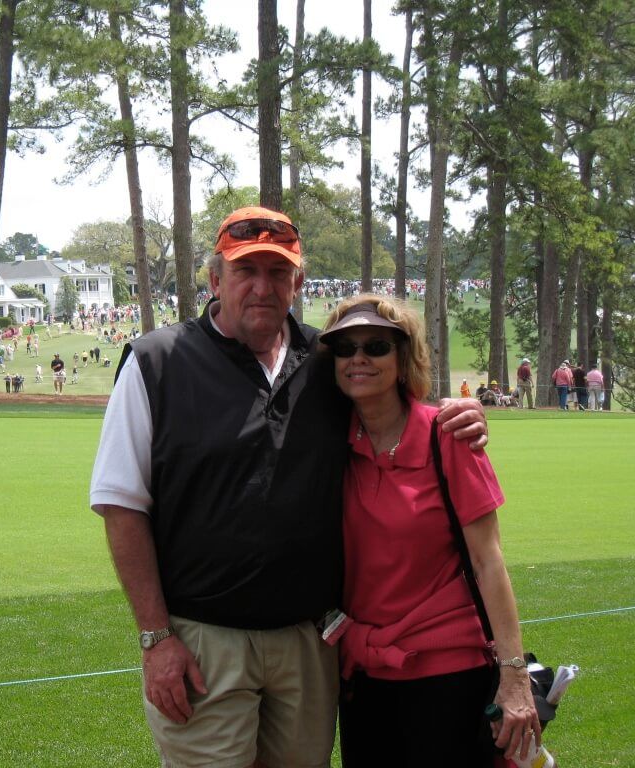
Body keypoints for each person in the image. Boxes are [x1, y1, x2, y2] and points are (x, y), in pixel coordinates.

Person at [89, 206, 487, 768]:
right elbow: (120, 504)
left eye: (278, 273)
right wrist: (156, 638)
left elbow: (394, 413)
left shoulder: (326, 360)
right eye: (245, 270)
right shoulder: (158, 362)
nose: (261, 286)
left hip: (307, 642)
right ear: (214, 280)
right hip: (205, 640)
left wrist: (459, 415)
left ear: (298, 283)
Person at [321, 296, 538, 767]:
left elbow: (488, 559)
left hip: (448, 671)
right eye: (344, 348)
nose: (358, 358)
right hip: (364, 676)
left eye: (377, 345)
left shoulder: (448, 436)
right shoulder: (326, 443)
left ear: (403, 359)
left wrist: (514, 674)